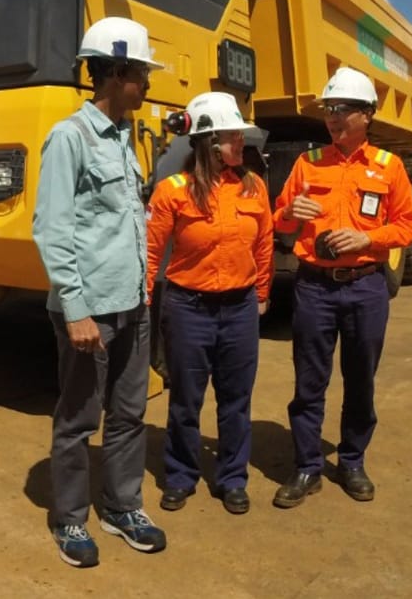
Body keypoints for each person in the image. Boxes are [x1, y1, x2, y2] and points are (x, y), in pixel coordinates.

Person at [32, 16, 168, 568]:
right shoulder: (70, 137)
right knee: (79, 420)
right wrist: (77, 310)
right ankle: (69, 518)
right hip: (90, 313)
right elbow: (52, 228)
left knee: (131, 414)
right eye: (141, 74)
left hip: (133, 303)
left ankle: (121, 506)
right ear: (115, 73)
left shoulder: (124, 140)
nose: (148, 84)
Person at [270, 66, 412, 509]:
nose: (334, 119)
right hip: (314, 286)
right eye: (330, 110)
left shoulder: (388, 168)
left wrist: (367, 239)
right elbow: (280, 221)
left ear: (367, 115)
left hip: (366, 286)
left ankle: (352, 460)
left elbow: (407, 226)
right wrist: (291, 212)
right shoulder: (308, 162)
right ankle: (307, 466)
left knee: (360, 380)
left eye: (345, 110)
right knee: (309, 381)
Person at [146, 92, 273, 516]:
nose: (241, 142)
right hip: (187, 309)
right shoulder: (173, 191)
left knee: (236, 399)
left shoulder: (254, 188)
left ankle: (232, 478)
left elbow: (266, 245)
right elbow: (149, 252)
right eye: (232, 136)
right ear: (207, 142)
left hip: (239, 310)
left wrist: (261, 295)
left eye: (239, 135)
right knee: (186, 398)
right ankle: (181, 474)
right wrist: (143, 303)